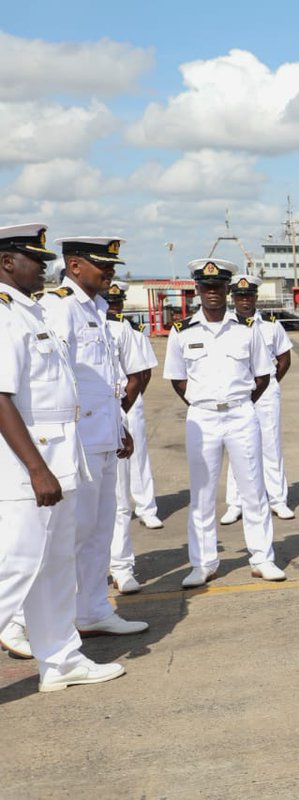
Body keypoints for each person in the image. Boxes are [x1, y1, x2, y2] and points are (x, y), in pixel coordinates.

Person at [0, 224, 125, 690]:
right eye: (35, 259)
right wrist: (36, 469)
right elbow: (1, 396)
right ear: (8, 262)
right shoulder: (5, 315)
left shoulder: (32, 312)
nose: (45, 267)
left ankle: (61, 660)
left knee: (54, 568)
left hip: (61, 457)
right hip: (25, 466)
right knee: (14, 564)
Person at [39, 236, 146, 638]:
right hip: (76, 442)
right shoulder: (60, 307)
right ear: (75, 265)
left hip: (104, 437)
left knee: (100, 530)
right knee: (69, 535)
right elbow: (57, 378)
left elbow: (107, 379)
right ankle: (46, 622)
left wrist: (120, 426)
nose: (111, 273)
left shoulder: (100, 310)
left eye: (113, 266)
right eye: (103, 265)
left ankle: (93, 610)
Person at [162, 258, 285, 588]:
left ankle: (262, 558)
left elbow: (262, 376)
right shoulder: (181, 332)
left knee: (253, 489)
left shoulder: (246, 330)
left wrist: (238, 402)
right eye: (207, 287)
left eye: (219, 287)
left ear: (226, 291)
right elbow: (177, 379)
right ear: (198, 290)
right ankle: (202, 563)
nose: (213, 293)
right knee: (202, 493)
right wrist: (203, 402)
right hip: (201, 417)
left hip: (241, 414)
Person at [221, 274, 295, 524]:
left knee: (270, 445)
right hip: (238, 393)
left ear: (255, 297)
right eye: (240, 296)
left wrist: (270, 382)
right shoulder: (225, 326)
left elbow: (284, 358)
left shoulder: (271, 324)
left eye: (249, 295)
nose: (244, 300)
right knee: (236, 446)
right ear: (233, 298)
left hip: (266, 392)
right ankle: (235, 502)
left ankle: (277, 499)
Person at [105, 281, 157, 594]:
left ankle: (122, 567)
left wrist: (120, 413)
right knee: (80, 509)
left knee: (120, 501)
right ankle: (91, 571)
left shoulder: (124, 330)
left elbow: (139, 374)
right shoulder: (60, 320)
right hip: (75, 426)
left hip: (114, 416)